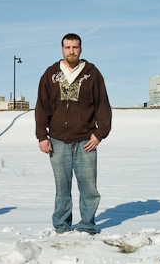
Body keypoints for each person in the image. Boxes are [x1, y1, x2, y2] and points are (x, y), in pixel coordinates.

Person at [35, 33, 112, 235]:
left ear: (80, 49)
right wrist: (42, 136)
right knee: (62, 188)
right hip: (58, 140)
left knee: (89, 188)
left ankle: (87, 225)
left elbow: (103, 106)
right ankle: (62, 225)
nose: (71, 51)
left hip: (86, 140)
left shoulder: (92, 74)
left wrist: (99, 134)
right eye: (67, 47)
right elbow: (41, 107)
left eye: (75, 47)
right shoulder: (51, 74)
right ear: (62, 49)